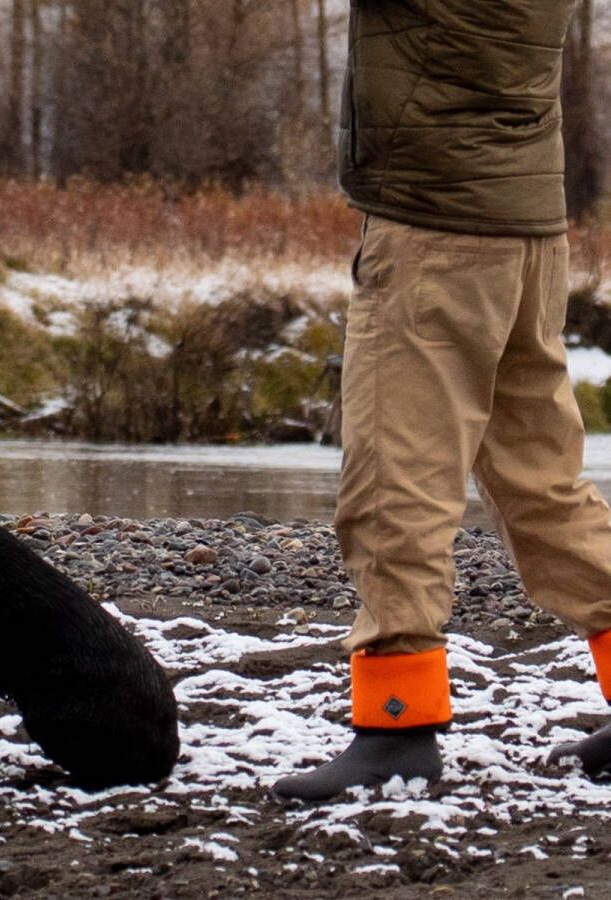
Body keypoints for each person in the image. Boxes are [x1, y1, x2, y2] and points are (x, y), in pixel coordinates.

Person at [272, 0, 611, 803]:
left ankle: (397, 724)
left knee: (398, 484)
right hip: (525, 224)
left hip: (440, 230)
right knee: (542, 484)